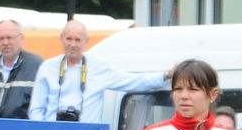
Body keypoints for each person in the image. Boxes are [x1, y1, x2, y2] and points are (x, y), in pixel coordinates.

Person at [30, 20, 170, 123]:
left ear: (86, 41)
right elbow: (36, 110)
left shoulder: (99, 66)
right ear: (61, 39)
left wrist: (165, 76)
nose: (73, 44)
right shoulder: (48, 67)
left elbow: (133, 81)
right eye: (69, 39)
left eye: (78, 40)